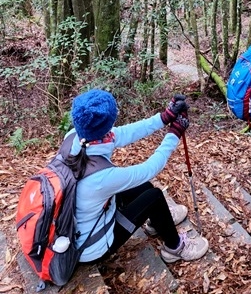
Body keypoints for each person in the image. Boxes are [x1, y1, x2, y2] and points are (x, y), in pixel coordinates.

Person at [65, 88, 209, 264]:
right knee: (154, 196)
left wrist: (165, 117)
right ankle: (175, 248)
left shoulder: (77, 136)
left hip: (82, 219)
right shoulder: (101, 178)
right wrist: (175, 132)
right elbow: (149, 168)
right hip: (91, 247)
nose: (113, 129)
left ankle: (158, 222)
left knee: (145, 188)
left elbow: (124, 133)